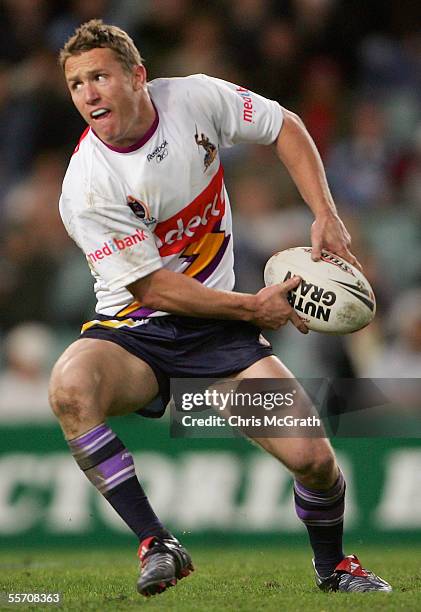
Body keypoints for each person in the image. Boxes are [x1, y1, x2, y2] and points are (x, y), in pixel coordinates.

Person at [49, 19, 392, 597]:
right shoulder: (86, 185)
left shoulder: (194, 99)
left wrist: (325, 213)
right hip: (136, 333)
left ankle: (334, 570)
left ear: (138, 76)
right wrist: (252, 308)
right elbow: (153, 290)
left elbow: (286, 126)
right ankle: (157, 542)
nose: (88, 92)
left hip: (219, 335)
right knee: (70, 388)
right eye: (77, 82)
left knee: (314, 460)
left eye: (100, 75)